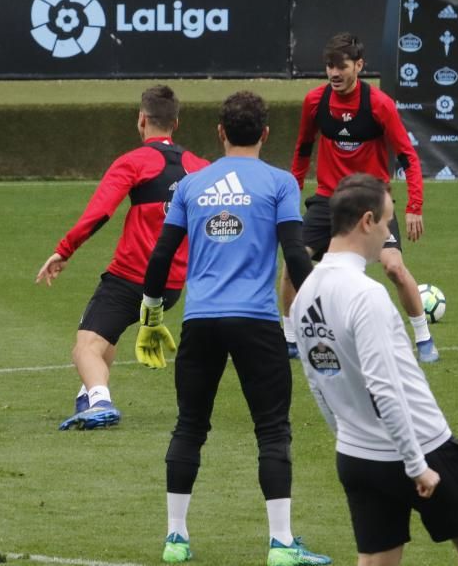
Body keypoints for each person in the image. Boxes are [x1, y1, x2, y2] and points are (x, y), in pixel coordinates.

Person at [136, 91, 330, 565]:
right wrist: (322, 312)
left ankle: (175, 539)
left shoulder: (191, 185)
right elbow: (295, 255)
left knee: (189, 425)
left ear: (220, 133)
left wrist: (150, 316)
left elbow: (161, 255)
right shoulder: (280, 183)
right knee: (272, 430)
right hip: (257, 321)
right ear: (265, 134)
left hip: (200, 320)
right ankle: (281, 544)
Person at [292, 173, 458, 566]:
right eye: (388, 222)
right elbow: (385, 388)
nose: (389, 232)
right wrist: (415, 465)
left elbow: (315, 380)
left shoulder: (303, 296)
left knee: (375, 560)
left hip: (357, 458)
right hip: (421, 447)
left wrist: (346, 438)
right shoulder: (366, 295)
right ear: (366, 221)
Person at [35, 85, 208, 431]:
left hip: (130, 277)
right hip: (171, 286)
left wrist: (64, 250)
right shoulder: (201, 167)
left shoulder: (133, 161)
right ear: (176, 122)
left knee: (85, 346)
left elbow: (99, 213)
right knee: (105, 336)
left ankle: (100, 402)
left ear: (141, 119)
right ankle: (88, 395)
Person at [281, 32, 436, 363]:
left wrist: (414, 207)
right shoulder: (315, 102)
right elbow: (303, 150)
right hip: (328, 200)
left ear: (359, 66)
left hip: (371, 199)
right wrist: (290, 197)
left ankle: (423, 338)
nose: (334, 73)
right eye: (329, 66)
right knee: (294, 260)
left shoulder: (379, 104)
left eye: (341, 66)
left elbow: (408, 156)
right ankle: (290, 337)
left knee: (394, 267)